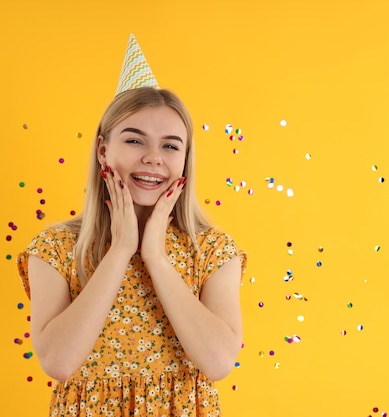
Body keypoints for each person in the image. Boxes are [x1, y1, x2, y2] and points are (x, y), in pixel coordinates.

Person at [17, 86, 246, 417]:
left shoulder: (210, 249)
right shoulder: (57, 247)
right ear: (102, 149)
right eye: (135, 140)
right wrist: (120, 250)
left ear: (185, 160)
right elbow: (58, 361)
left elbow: (218, 362)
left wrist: (156, 257)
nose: (153, 157)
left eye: (170, 145)